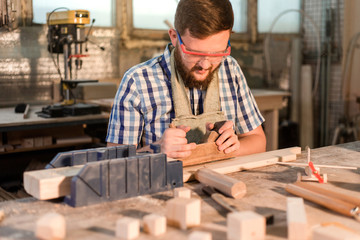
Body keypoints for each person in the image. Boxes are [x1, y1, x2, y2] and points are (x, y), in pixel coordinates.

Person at [107, 0, 266, 158]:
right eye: (195, 53)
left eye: (217, 54)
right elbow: (115, 162)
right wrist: (156, 150)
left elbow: (258, 141)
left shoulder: (230, 69)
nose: (205, 65)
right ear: (174, 37)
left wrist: (232, 147)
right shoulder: (137, 81)